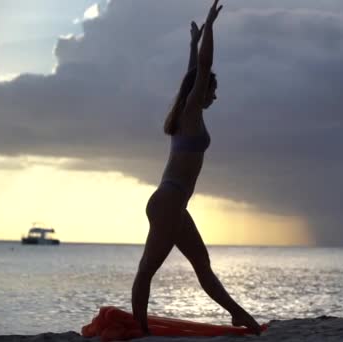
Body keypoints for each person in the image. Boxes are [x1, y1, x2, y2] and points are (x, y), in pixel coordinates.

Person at [131, 0, 262, 335]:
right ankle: (141, 331)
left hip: (174, 203)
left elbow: (191, 75)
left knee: (203, 266)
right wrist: (211, 28)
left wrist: (192, 43)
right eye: (212, 92)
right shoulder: (189, 115)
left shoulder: (187, 114)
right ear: (201, 92)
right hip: (168, 202)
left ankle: (240, 316)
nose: (214, 97)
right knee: (148, 269)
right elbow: (202, 70)